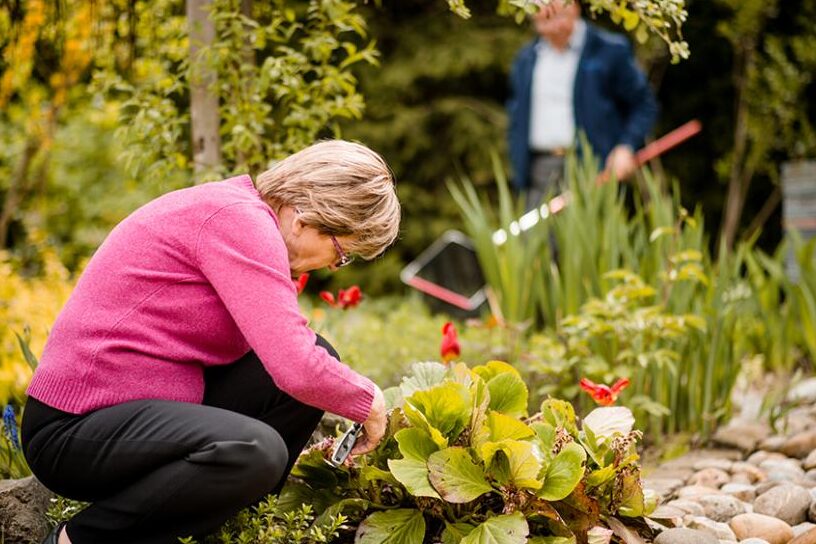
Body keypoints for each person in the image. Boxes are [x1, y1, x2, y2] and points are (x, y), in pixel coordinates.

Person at [21, 140, 401, 544]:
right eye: (341, 253)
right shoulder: (239, 222)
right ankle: (79, 539)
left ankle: (228, 525)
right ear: (306, 218)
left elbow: (298, 356)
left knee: (320, 356)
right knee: (255, 449)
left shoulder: (245, 217)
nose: (332, 266)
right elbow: (294, 364)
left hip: (143, 414)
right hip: (75, 428)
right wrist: (370, 400)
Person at [507, 0, 659, 209]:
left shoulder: (609, 51)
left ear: (574, 7)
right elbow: (517, 116)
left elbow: (643, 105)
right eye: (538, 9)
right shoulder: (526, 58)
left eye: (552, 10)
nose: (544, 12)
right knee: (536, 241)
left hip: (594, 170)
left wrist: (626, 147)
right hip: (539, 171)